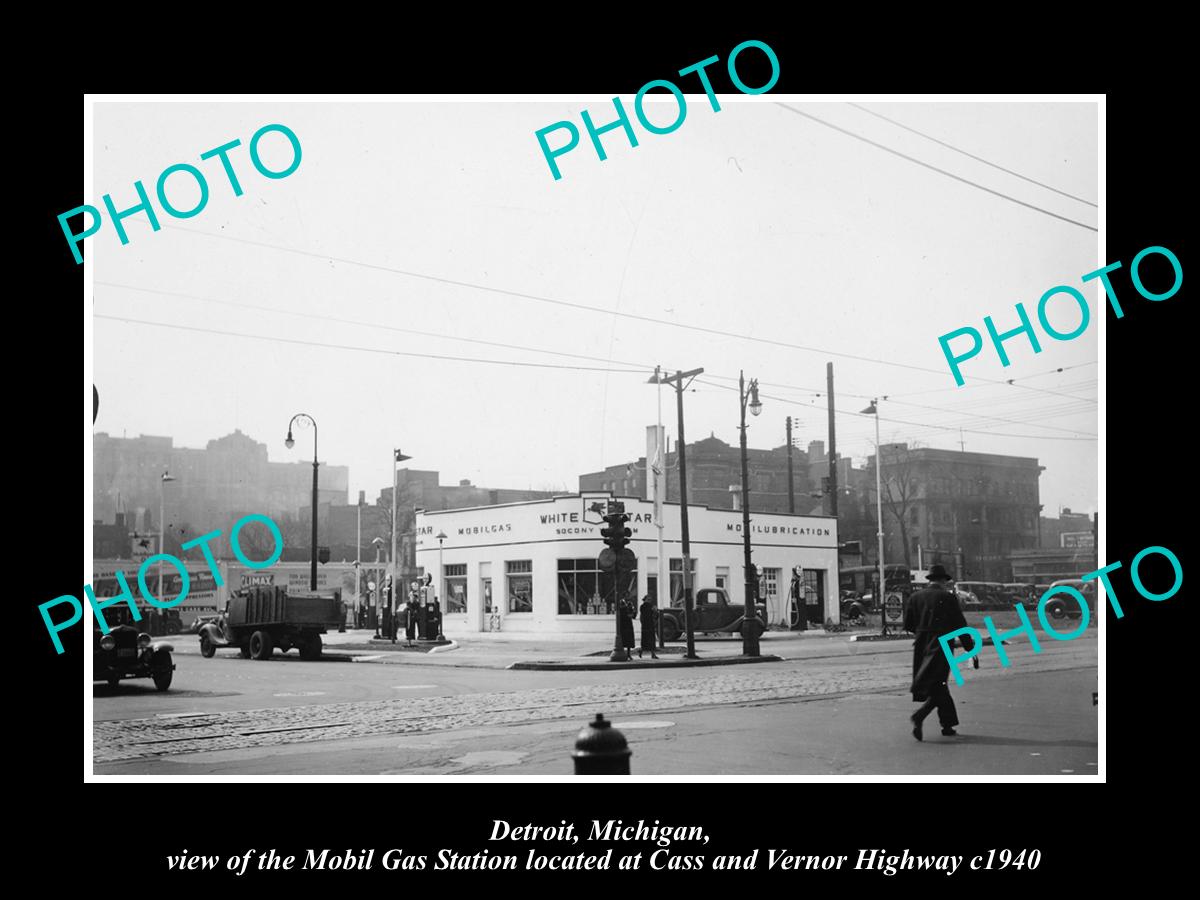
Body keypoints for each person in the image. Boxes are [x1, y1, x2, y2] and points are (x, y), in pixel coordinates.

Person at [903, 563, 976, 741]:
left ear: (930, 580)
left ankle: (948, 725)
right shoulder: (948, 598)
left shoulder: (915, 597)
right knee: (939, 683)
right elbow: (960, 625)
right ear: (943, 580)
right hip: (942, 644)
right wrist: (970, 648)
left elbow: (908, 625)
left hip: (921, 645)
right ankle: (920, 716)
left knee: (936, 685)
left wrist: (923, 632)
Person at [638, 595, 659, 659]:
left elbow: (656, 615)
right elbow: (644, 615)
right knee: (647, 640)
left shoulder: (650, 606)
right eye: (648, 599)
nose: (649, 601)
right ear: (645, 599)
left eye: (650, 599)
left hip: (649, 624)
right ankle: (642, 651)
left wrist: (655, 611)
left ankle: (652, 654)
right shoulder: (643, 606)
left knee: (650, 640)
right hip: (646, 624)